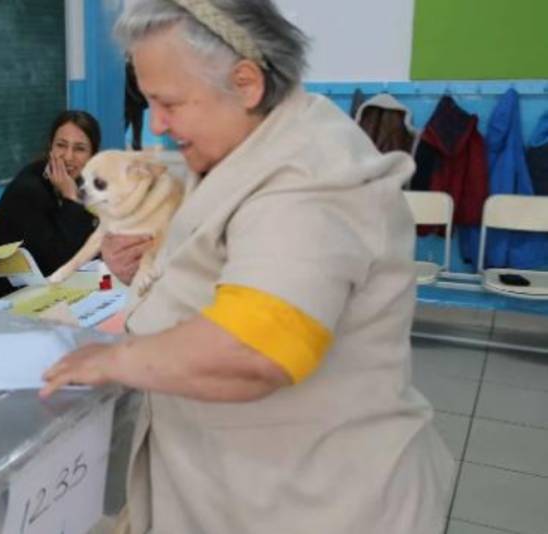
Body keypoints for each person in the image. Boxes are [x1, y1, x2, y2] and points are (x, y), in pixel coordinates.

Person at [40, 1, 455, 533]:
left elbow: (252, 350)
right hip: (226, 484)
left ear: (245, 83)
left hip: (314, 502)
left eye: (168, 103)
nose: (159, 125)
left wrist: (112, 360)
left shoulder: (311, 178)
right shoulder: (238, 146)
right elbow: (217, 265)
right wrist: (145, 273)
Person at [0, 111, 101, 298]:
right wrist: (70, 198)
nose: (68, 157)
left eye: (79, 149)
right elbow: (59, 262)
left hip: (50, 289)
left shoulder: (87, 184)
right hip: (5, 296)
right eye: (61, 145)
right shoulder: (29, 189)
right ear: (50, 147)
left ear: (92, 156)